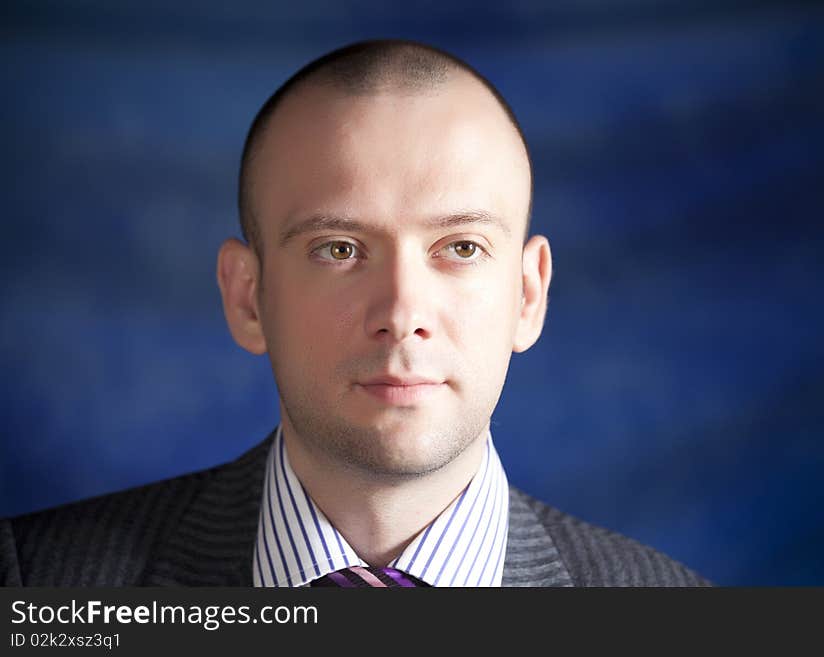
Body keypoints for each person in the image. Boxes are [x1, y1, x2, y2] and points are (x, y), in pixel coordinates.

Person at [1, 39, 707, 587]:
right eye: (339, 247)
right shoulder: (33, 583)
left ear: (528, 295)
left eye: (460, 246)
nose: (402, 313)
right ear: (248, 296)